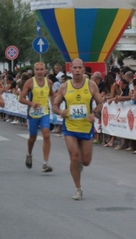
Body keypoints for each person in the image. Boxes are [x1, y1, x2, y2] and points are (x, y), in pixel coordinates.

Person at [52, 58, 103, 200]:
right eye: (75, 67)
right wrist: (60, 112)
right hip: (70, 127)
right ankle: (78, 188)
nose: (78, 70)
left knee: (86, 161)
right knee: (74, 156)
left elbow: (100, 103)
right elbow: (55, 106)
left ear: (84, 69)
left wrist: (94, 113)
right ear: (71, 70)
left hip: (86, 127)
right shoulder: (64, 87)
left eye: (80, 67)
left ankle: (80, 163)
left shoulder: (91, 85)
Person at [19, 62, 54, 173]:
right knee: (32, 137)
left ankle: (45, 163)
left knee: (46, 134)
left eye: (41, 69)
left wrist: (54, 107)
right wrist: (31, 103)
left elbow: (52, 94)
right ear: (34, 71)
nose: (39, 71)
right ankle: (29, 153)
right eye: (37, 69)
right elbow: (21, 98)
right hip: (33, 114)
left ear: (45, 71)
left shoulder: (49, 82)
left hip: (44, 113)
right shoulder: (30, 82)